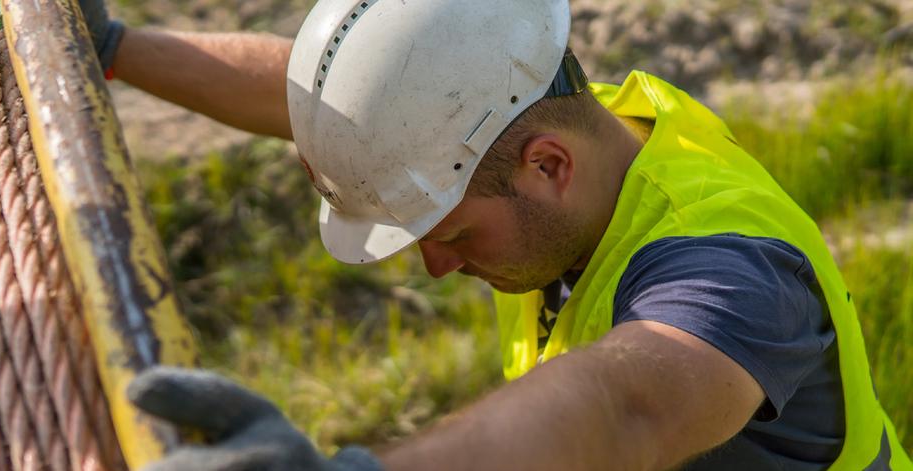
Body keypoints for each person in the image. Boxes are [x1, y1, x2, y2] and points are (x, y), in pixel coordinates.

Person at [81, 0, 912, 470]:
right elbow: (333, 117)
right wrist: (116, 49)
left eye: (446, 231)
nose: (436, 266)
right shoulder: (578, 129)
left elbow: (623, 407)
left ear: (547, 167)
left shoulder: (733, 276)